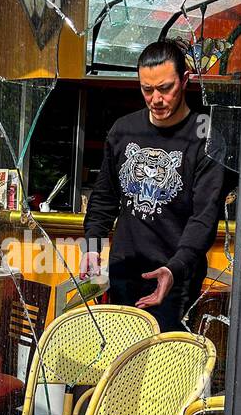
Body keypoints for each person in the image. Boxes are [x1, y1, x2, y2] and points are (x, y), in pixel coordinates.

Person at [81, 40, 225, 332]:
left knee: (163, 369)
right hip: (123, 270)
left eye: (165, 88)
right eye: (147, 90)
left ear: (184, 81)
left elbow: (204, 218)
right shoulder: (124, 129)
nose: (156, 99)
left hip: (174, 276)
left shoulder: (206, 137)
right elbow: (105, 196)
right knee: (119, 367)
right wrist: (92, 246)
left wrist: (175, 268)